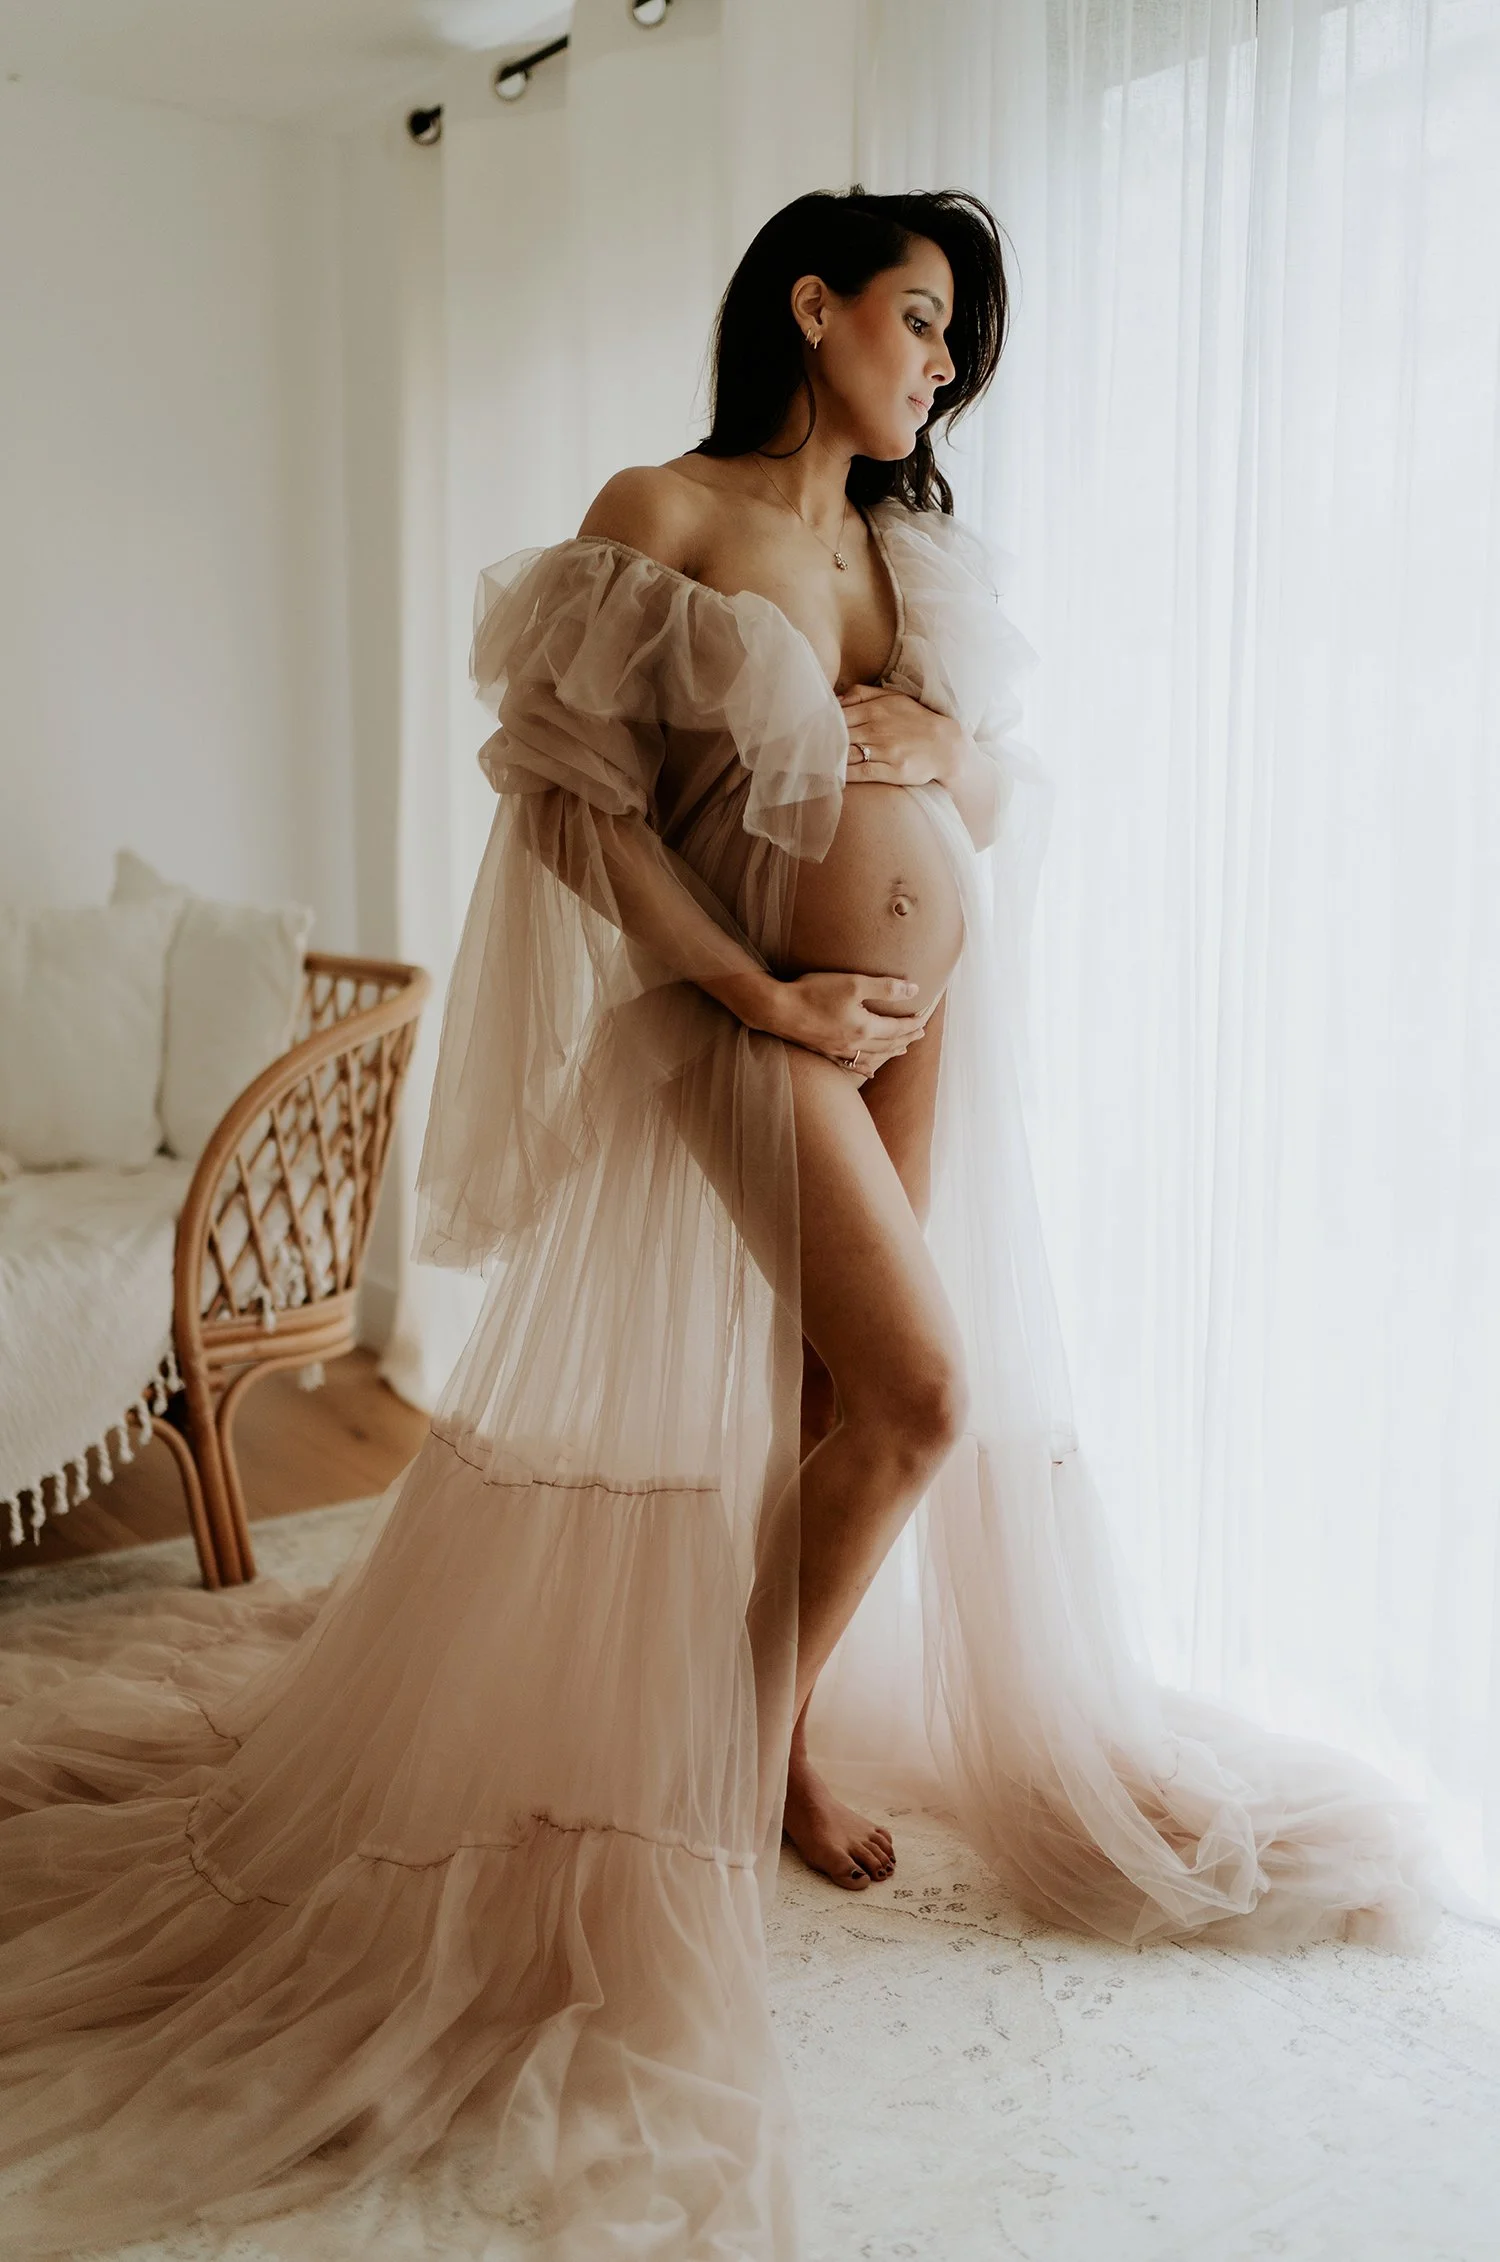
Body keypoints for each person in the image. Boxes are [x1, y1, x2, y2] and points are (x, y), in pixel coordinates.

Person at [0, 188, 1447, 2261]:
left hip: (915, 1026)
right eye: (921, 317)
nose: (944, 363)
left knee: (837, 1402)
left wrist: (950, 746)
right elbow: (570, 814)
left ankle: (766, 1748)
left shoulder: (909, 550)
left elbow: (982, 796)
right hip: (751, 1024)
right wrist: (759, 990)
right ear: (813, 303)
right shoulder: (662, 515)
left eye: (959, 341)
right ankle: (729, 1768)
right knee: (924, 1397)